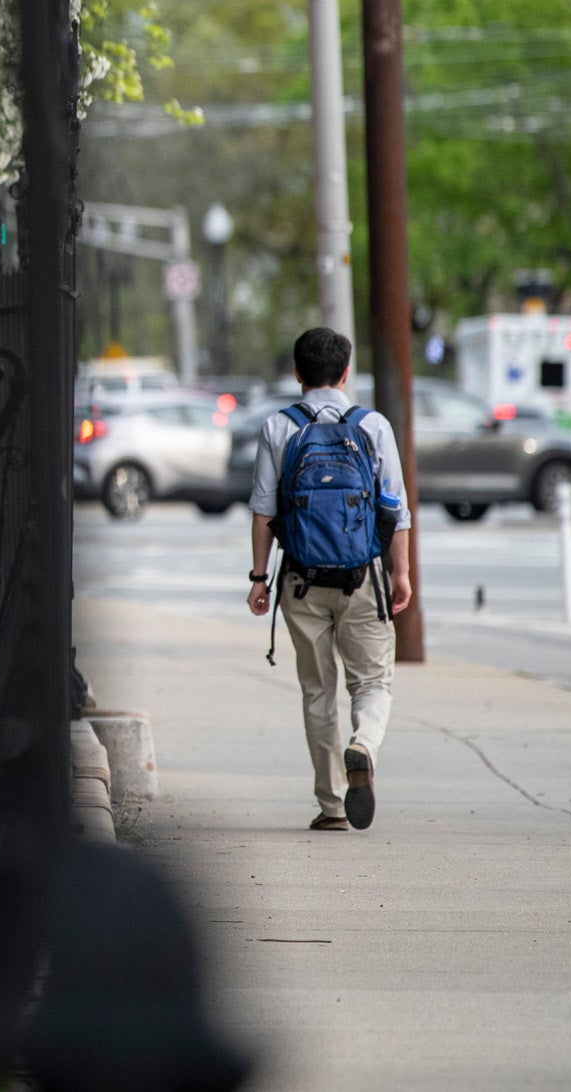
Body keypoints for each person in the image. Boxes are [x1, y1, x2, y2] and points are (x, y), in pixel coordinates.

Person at [245, 327, 413, 831]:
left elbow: (262, 512)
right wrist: (400, 573)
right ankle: (363, 743)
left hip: (300, 580)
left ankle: (333, 804)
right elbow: (395, 509)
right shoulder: (373, 426)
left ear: (297, 374)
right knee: (374, 681)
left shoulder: (279, 427)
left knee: (318, 691)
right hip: (362, 578)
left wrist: (258, 578)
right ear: (345, 374)